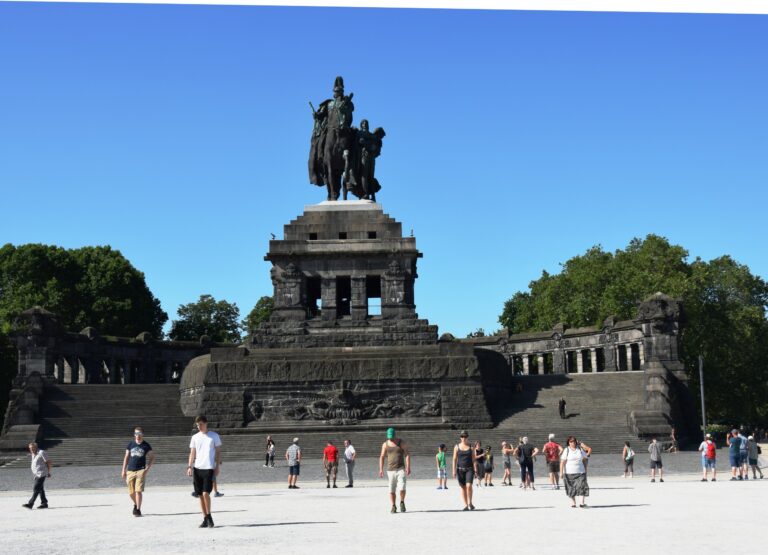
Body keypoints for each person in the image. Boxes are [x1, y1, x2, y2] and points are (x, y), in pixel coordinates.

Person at [187, 415, 222, 528]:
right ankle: (205, 518)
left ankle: (209, 516)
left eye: (201, 424)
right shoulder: (195, 437)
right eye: (197, 425)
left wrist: (217, 466)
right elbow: (192, 453)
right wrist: (189, 466)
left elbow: (218, 453)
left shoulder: (214, 436)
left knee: (206, 493)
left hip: (208, 468)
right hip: (197, 468)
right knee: (200, 495)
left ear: (206, 423)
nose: (199, 427)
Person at [121, 427, 155, 517]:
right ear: (134, 434)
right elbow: (126, 457)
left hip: (141, 470)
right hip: (130, 471)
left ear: (142, 434)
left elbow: (152, 457)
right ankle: (136, 504)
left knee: (138, 491)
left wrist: (147, 469)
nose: (138, 436)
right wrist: (123, 470)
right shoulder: (130, 444)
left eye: (140, 434)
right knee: (131, 492)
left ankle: (138, 510)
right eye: (136, 434)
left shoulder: (146, 445)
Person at [378, 427, 410, 514]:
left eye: (391, 436)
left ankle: (402, 502)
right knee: (391, 490)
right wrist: (381, 469)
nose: (390, 438)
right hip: (390, 470)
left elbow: (407, 454)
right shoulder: (385, 444)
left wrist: (408, 467)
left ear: (395, 434)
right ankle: (393, 506)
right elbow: (382, 457)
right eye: (389, 437)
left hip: (401, 469)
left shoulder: (401, 442)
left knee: (402, 488)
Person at [560, 436, 590, 508]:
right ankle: (573, 503)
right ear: (568, 443)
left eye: (573, 441)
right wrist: (561, 472)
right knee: (571, 488)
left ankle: (582, 503)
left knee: (582, 486)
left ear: (576, 442)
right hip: (569, 472)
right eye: (571, 441)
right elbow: (562, 462)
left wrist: (585, 469)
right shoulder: (566, 450)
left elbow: (585, 458)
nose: (572, 443)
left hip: (580, 472)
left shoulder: (580, 449)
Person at [452, 430, 477, 511]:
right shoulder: (456, 447)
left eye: (465, 437)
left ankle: (470, 502)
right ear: (460, 437)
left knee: (469, 486)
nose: (463, 438)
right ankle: (466, 505)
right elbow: (454, 459)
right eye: (462, 436)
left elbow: (473, 459)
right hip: (460, 470)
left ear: (467, 437)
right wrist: (453, 470)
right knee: (463, 488)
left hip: (469, 469)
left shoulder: (471, 447)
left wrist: (475, 469)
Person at [22, 442, 52, 509]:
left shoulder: (42, 452)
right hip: (36, 474)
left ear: (36, 447)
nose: (31, 450)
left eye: (32, 448)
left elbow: (49, 462)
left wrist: (48, 472)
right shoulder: (33, 454)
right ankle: (44, 503)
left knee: (36, 488)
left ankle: (30, 503)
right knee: (40, 489)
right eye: (30, 448)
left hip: (42, 473)